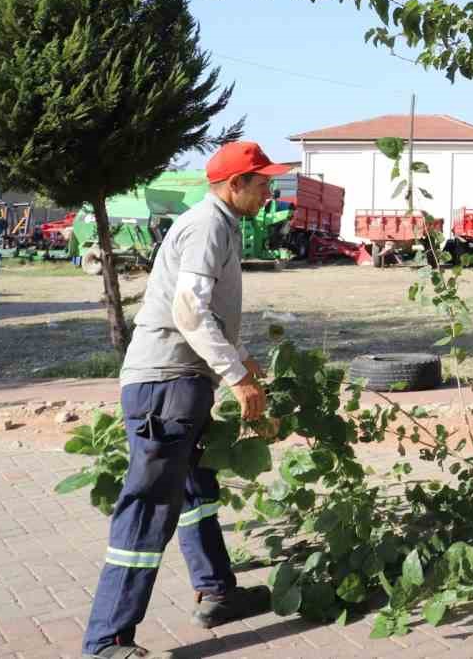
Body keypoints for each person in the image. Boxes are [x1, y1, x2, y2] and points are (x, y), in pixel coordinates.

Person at [81, 141, 294, 659]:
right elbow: (190, 310)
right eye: (261, 181)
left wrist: (242, 359)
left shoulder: (222, 222)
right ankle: (106, 640)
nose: (270, 189)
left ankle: (218, 592)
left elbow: (213, 313)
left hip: (182, 381)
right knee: (149, 506)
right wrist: (236, 377)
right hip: (165, 383)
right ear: (233, 185)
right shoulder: (207, 224)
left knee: (198, 489)